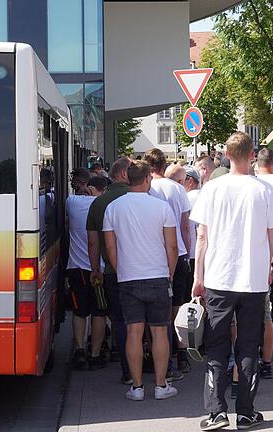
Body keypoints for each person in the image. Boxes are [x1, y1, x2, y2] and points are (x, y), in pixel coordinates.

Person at [192, 132, 273, 431]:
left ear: (226, 155)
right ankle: (245, 412)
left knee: (216, 345)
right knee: (248, 346)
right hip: (253, 280)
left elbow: (202, 237)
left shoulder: (212, 189)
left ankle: (216, 412)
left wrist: (198, 276)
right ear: (252, 153)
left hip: (218, 277)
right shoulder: (266, 191)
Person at [103, 160, 179, 401]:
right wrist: (170, 272)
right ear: (147, 179)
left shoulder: (113, 208)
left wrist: (120, 269)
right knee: (159, 332)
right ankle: (160, 384)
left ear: (127, 179)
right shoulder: (161, 207)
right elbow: (172, 246)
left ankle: (136, 387)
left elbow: (110, 246)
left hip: (128, 278)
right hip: (157, 275)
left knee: (133, 333)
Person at [145, 148, 191, 377]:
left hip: (155, 256)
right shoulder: (176, 188)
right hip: (179, 253)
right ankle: (181, 355)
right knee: (178, 308)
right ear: (164, 166)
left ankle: (155, 355)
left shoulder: (146, 189)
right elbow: (185, 225)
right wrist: (187, 252)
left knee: (156, 312)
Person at [87, 157, 133, 384]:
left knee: (120, 321)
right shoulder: (141, 197)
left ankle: (127, 371)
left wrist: (95, 269)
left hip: (112, 272)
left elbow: (93, 243)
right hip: (142, 271)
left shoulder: (98, 203)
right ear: (125, 174)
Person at [67, 168, 107, 371]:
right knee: (99, 312)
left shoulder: (71, 203)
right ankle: (96, 353)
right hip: (99, 268)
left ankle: (80, 350)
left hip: (77, 269)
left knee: (79, 311)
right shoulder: (102, 206)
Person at [253, 148, 273, 380]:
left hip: (257, 258)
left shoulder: (253, 185)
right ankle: (267, 362)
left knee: (253, 315)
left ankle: (243, 361)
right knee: (267, 314)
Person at [183, 165, 201, 309]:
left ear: (190, 181)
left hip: (192, 253)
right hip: (204, 254)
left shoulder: (187, 198)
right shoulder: (205, 195)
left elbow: (189, 229)